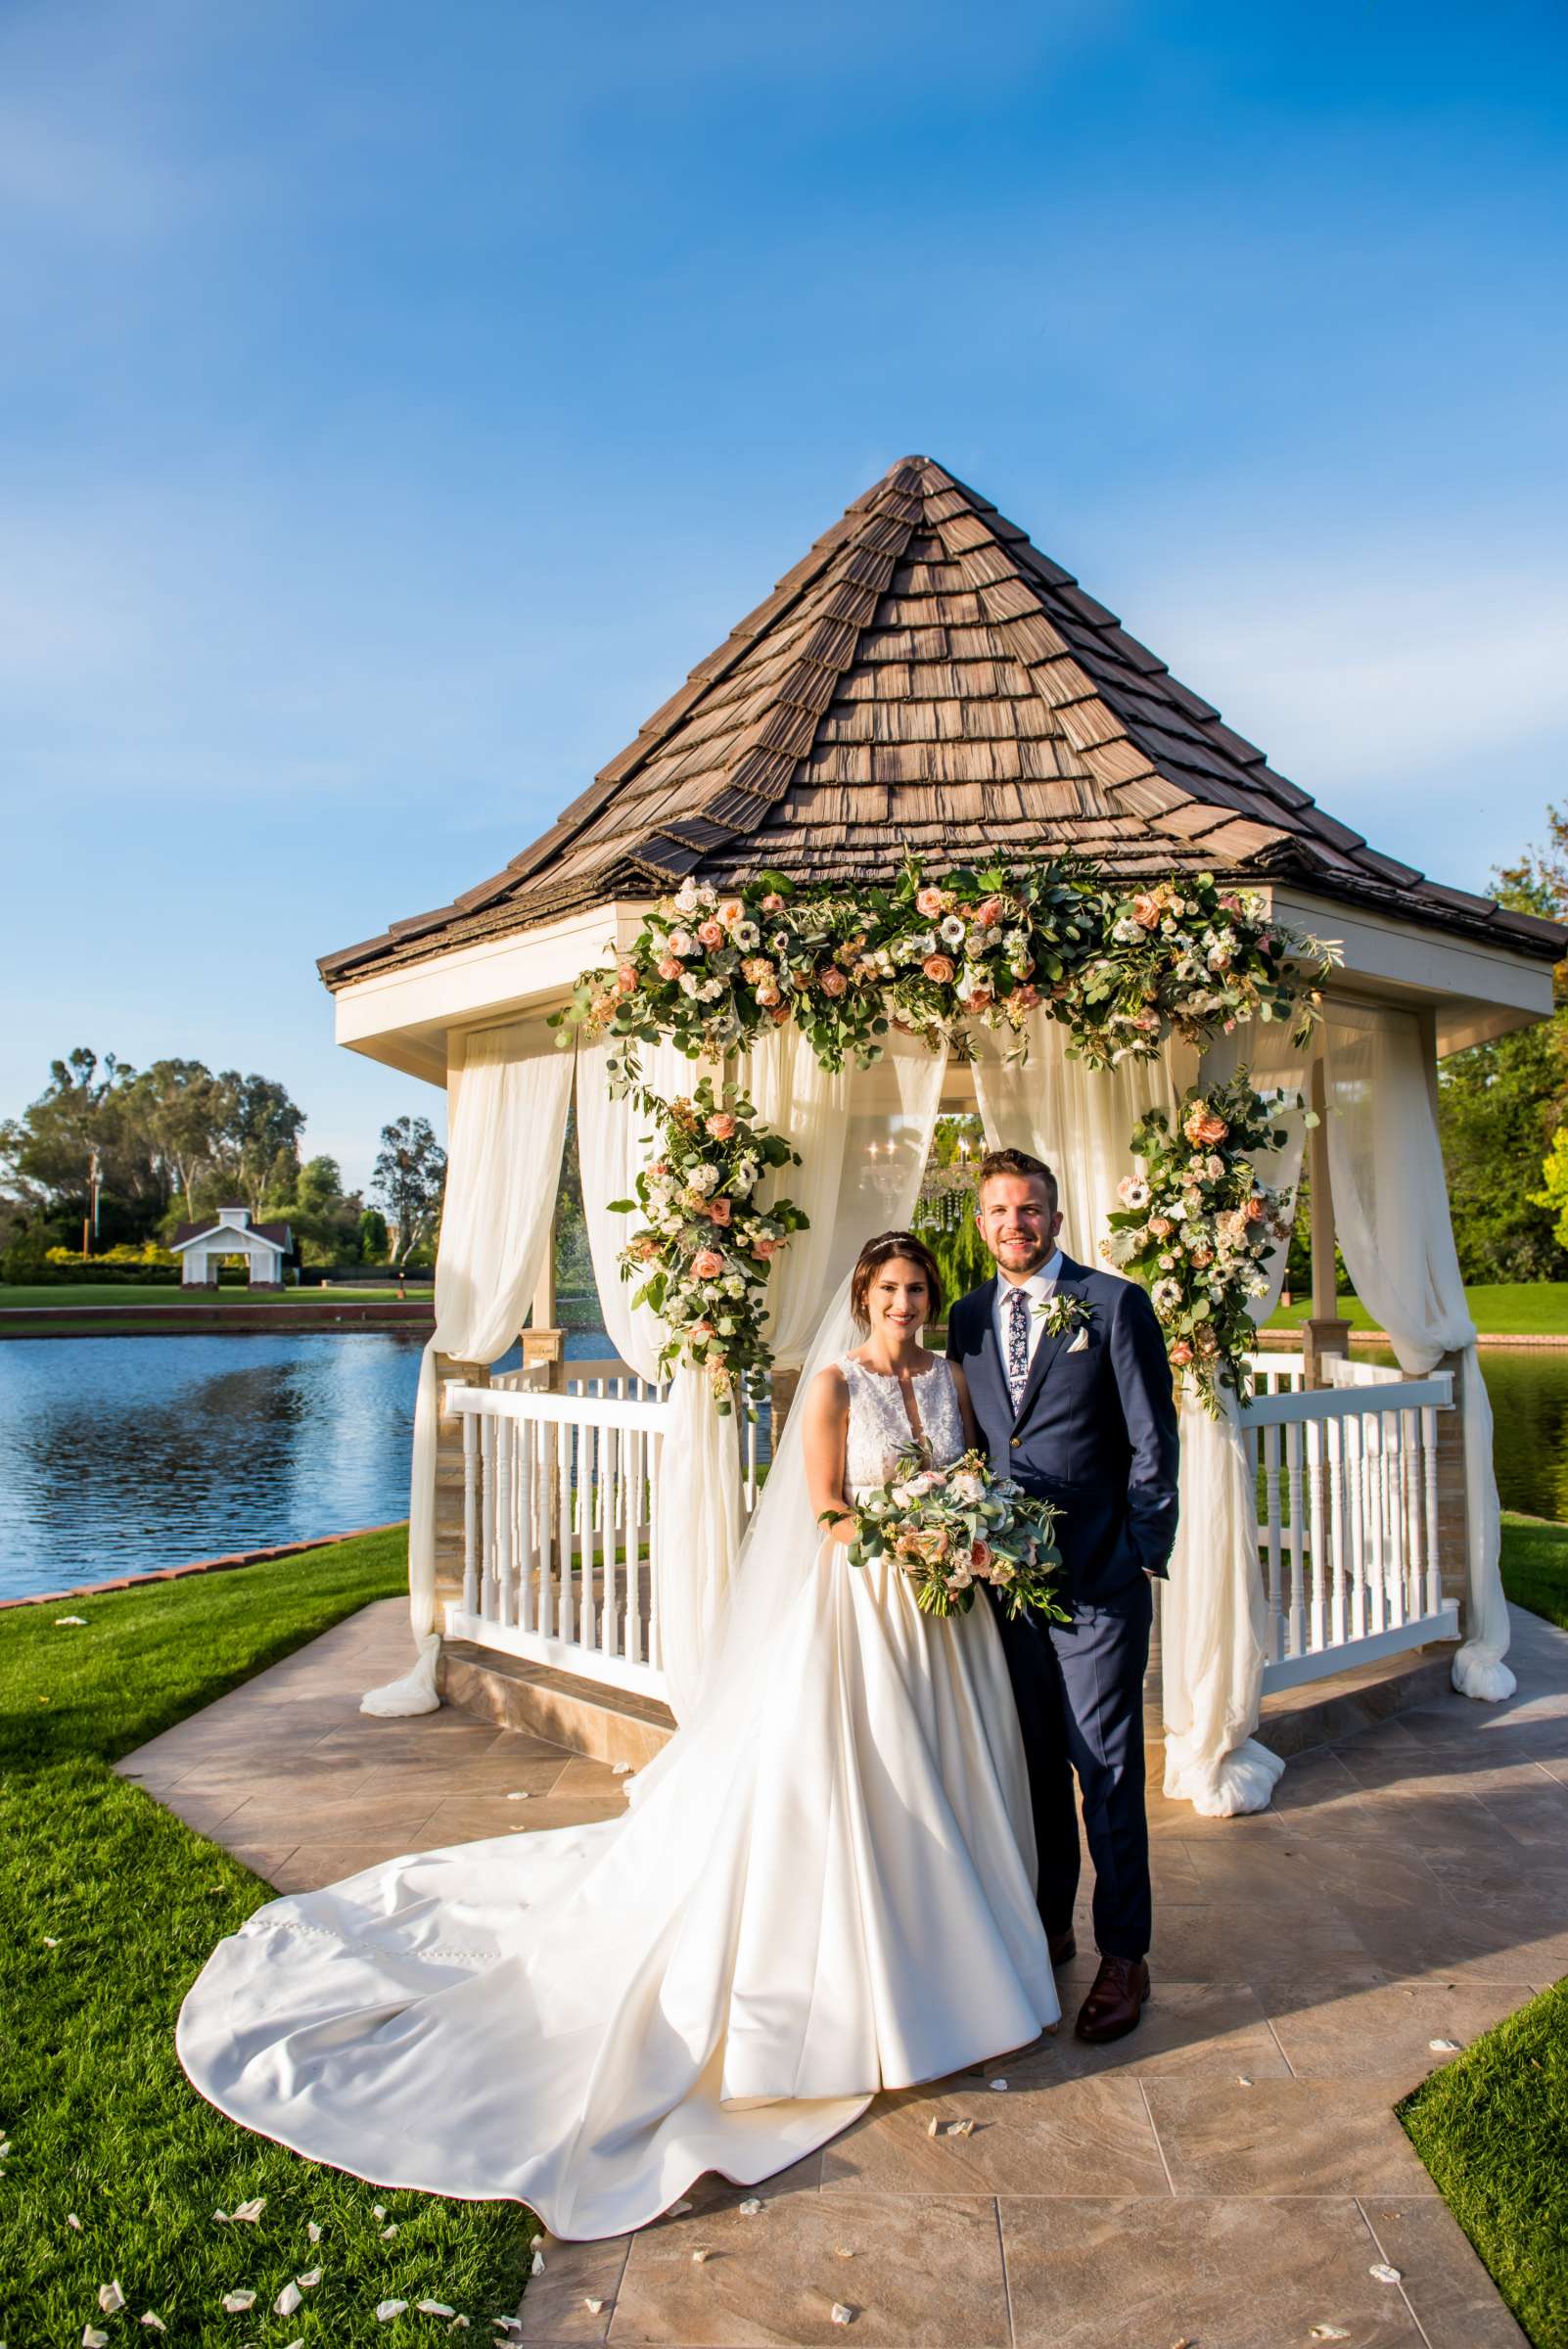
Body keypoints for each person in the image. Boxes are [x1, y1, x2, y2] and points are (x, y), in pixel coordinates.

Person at [177, 1233, 1058, 2241]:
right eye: (889, 1290)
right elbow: (824, 1509)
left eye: (916, 1289)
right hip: (861, 1612)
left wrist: (962, 1530)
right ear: (864, 1297)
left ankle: (962, 1952)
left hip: (944, 1619)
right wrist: (901, 1537)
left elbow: (973, 1470)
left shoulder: (951, 1377)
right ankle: (881, 1980)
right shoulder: (834, 1386)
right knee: (867, 1789)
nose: (904, 1303)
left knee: (951, 1779)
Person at [946, 1148, 1180, 2045]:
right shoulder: (965, 1318)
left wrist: (1143, 1555)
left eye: (1031, 1209)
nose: (1017, 1224)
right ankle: (1049, 1927)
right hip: (1007, 1589)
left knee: (1107, 1770)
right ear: (981, 1223)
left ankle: (1126, 1954)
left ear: (1056, 1216)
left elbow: (1151, 1439)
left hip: (1100, 1583)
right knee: (1036, 1763)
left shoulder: (1116, 1304)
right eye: (1001, 1211)